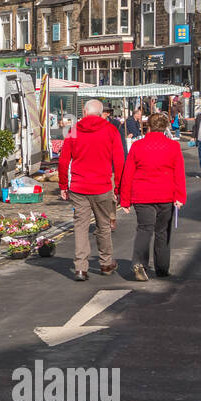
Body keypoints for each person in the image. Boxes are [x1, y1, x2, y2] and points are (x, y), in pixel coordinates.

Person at [58, 99, 124, 281]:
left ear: (85, 112)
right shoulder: (111, 130)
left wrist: (63, 185)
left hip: (79, 187)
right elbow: (119, 160)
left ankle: (80, 267)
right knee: (103, 226)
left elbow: (63, 161)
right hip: (102, 186)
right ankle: (106, 263)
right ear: (101, 113)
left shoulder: (73, 131)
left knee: (80, 226)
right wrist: (118, 186)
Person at [118, 113, 186, 281]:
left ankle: (139, 263)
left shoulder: (138, 146)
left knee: (144, 229)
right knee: (162, 232)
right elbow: (179, 174)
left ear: (148, 126)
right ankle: (162, 268)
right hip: (166, 195)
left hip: (142, 195)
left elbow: (128, 174)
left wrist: (124, 199)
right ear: (165, 127)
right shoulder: (173, 146)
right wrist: (180, 197)